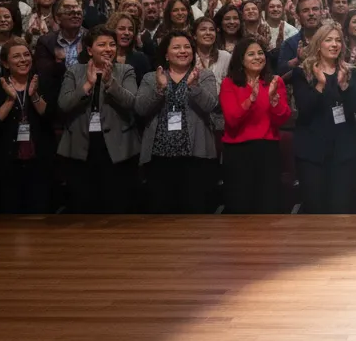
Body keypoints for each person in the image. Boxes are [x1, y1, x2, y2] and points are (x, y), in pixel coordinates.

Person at [135, 30, 220, 213]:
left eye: (187, 47)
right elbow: (141, 108)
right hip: (159, 156)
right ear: (166, 54)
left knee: (195, 211)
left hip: (195, 156)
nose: (183, 51)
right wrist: (160, 89)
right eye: (176, 47)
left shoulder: (204, 76)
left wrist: (194, 87)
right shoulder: (151, 78)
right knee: (162, 213)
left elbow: (210, 106)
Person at [57, 28, 140, 213]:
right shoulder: (74, 71)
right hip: (81, 144)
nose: (108, 49)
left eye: (112, 44)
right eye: (101, 44)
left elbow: (132, 102)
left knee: (116, 204)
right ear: (89, 50)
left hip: (117, 146)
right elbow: (64, 104)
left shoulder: (125, 70)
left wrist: (111, 83)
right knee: (83, 204)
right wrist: (87, 84)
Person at [293, 20, 356, 214]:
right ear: (318, 44)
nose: (334, 44)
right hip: (312, 152)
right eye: (329, 40)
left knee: (341, 207)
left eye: (338, 41)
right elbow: (304, 108)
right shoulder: (303, 72)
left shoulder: (349, 72)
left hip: (343, 151)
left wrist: (344, 86)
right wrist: (320, 85)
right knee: (315, 207)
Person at [218, 37, 290, 213]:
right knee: (240, 205)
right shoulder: (230, 83)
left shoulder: (275, 81)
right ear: (241, 60)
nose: (258, 57)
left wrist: (274, 101)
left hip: (268, 151)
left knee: (268, 205)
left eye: (260, 53)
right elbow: (232, 120)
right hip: (238, 152)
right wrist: (250, 100)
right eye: (251, 54)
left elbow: (283, 118)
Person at [0, 40, 54, 213]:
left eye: (26, 55)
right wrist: (10, 100)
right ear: (5, 63)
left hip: (38, 161)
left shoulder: (42, 83)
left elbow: (51, 117)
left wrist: (34, 95)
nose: (23, 60)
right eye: (16, 56)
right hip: (7, 162)